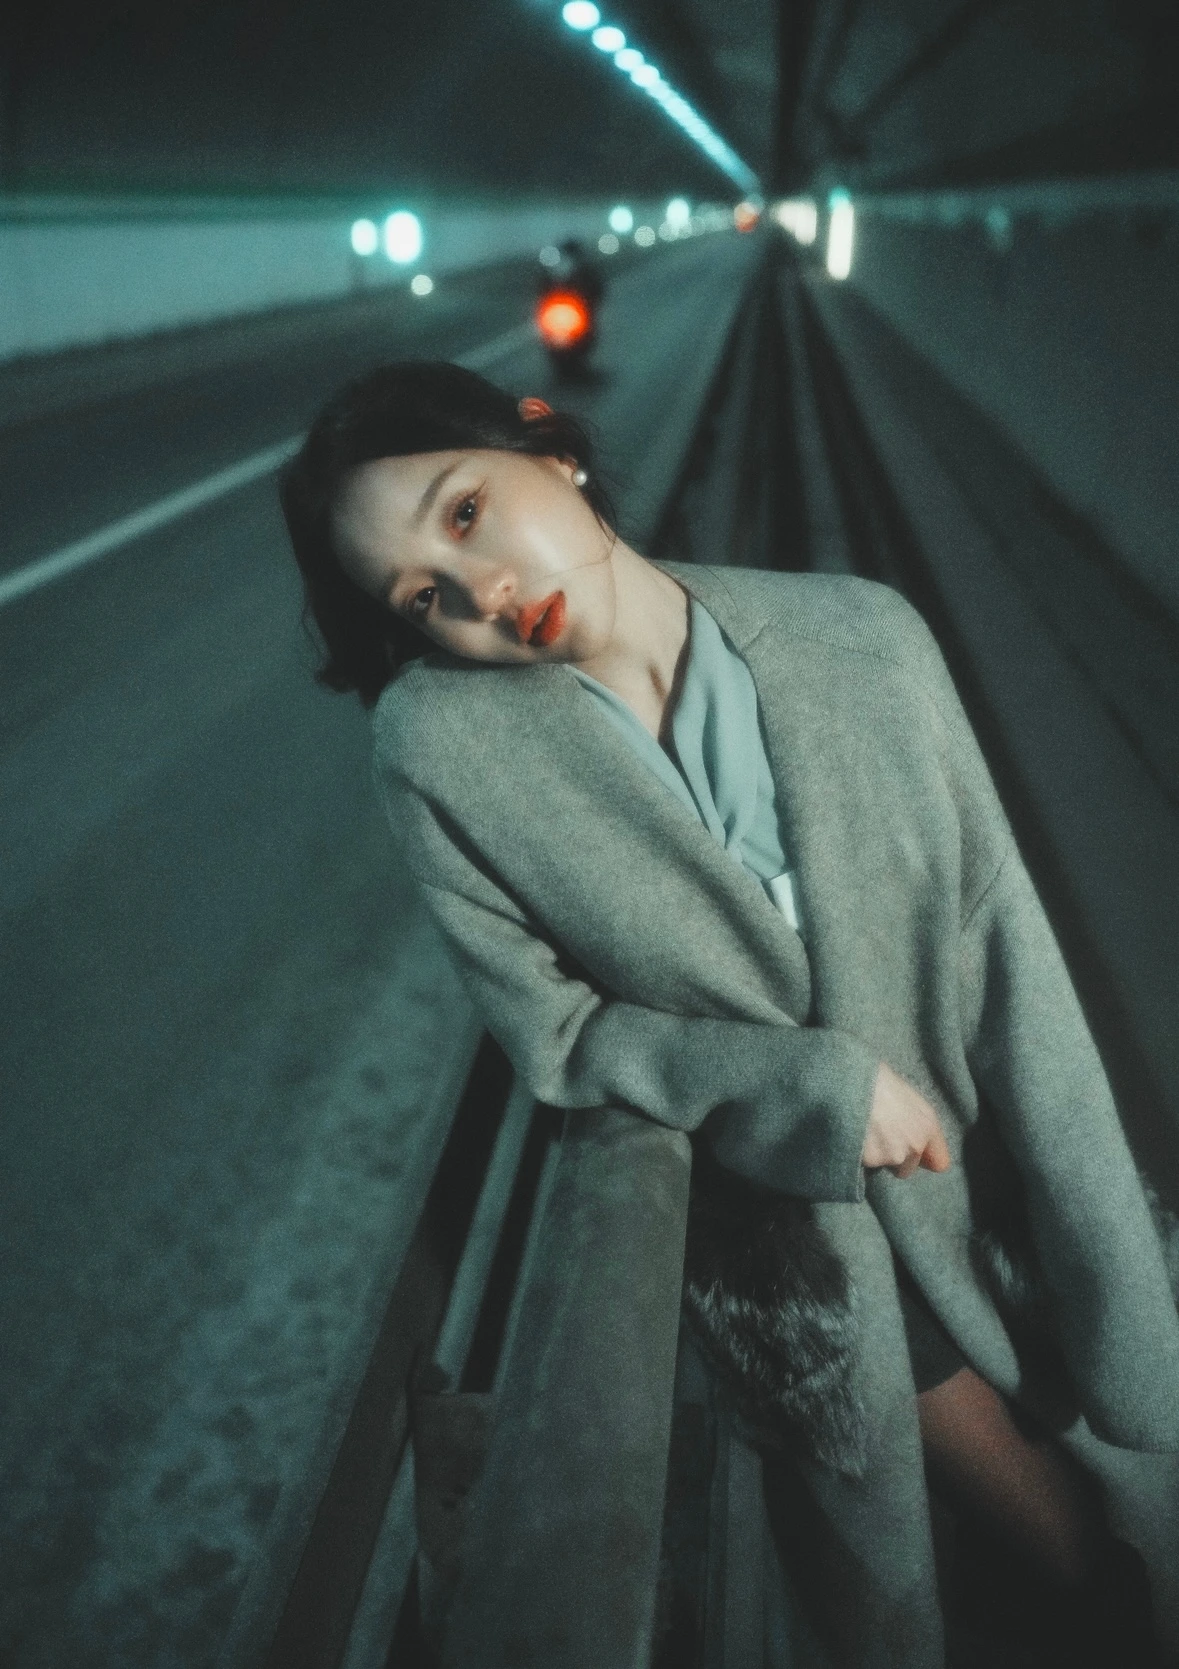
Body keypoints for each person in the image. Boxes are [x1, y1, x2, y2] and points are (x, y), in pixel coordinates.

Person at [280, 359, 1179, 1667]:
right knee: (1074, 1572)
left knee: (1098, 1514)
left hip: (972, 1167)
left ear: (549, 448)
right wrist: (792, 1086)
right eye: (423, 598)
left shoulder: (863, 637)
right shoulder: (444, 749)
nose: (480, 594)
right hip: (803, 1243)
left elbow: (1007, 947)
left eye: (465, 512)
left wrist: (1101, 1244)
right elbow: (557, 1036)